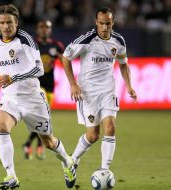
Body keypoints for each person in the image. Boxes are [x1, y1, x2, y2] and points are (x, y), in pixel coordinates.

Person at [0, 4, 76, 190]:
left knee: (48, 142)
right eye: (2, 23)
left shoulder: (26, 40)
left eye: (9, 23)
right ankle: (11, 175)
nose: (6, 26)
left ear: (16, 22)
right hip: (10, 98)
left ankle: (67, 162)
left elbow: (39, 69)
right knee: (2, 126)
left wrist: (13, 77)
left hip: (33, 99)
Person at [62, 7, 137, 188]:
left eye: (108, 23)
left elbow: (123, 64)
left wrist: (129, 86)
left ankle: (104, 170)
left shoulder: (118, 41)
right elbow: (65, 57)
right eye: (101, 23)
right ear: (96, 22)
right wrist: (73, 84)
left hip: (108, 91)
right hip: (87, 93)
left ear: (113, 22)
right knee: (93, 136)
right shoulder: (87, 40)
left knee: (110, 128)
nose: (104, 27)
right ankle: (72, 161)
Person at [22, 19, 64, 160]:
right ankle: (37, 145)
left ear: (50, 30)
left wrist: (62, 59)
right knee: (43, 116)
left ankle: (31, 144)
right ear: (37, 29)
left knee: (43, 119)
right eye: (41, 27)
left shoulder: (56, 45)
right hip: (36, 87)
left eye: (47, 27)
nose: (44, 29)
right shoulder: (32, 45)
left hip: (50, 86)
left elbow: (66, 61)